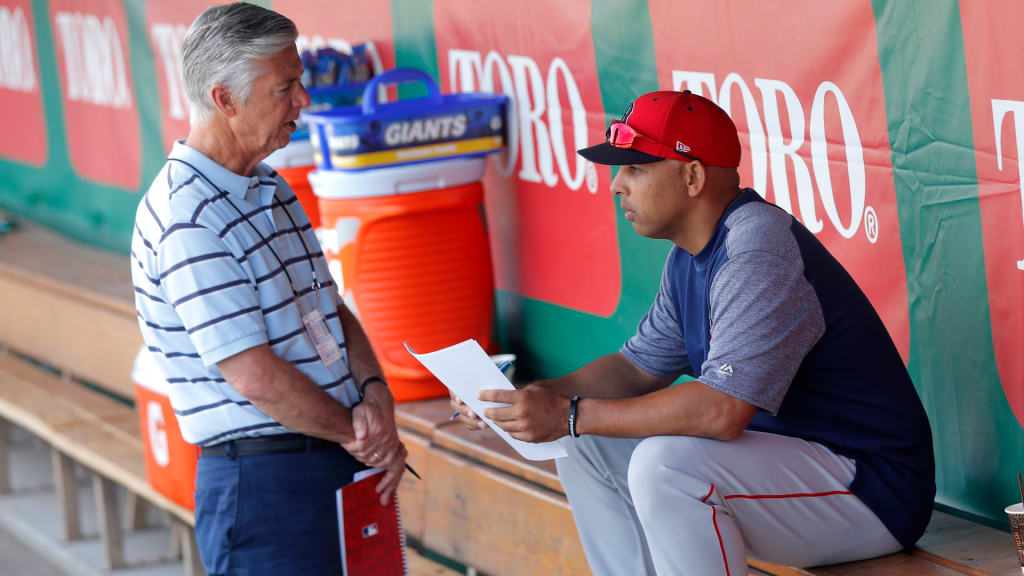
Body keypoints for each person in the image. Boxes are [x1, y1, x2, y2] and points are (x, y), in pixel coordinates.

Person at [451, 90, 935, 575]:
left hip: (870, 489)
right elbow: (634, 370)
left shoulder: (756, 250)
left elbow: (721, 412)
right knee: (584, 442)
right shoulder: (689, 254)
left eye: (635, 168)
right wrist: (523, 398)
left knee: (665, 466)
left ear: (693, 175)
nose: (617, 186)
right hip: (791, 474)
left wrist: (570, 414)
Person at [130, 4, 407, 574]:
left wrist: (375, 391)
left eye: (300, 81)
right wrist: (361, 431)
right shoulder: (188, 216)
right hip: (265, 483)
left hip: (332, 453)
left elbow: (330, 305)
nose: (303, 100)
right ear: (225, 100)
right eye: (286, 86)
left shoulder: (270, 186)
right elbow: (254, 376)